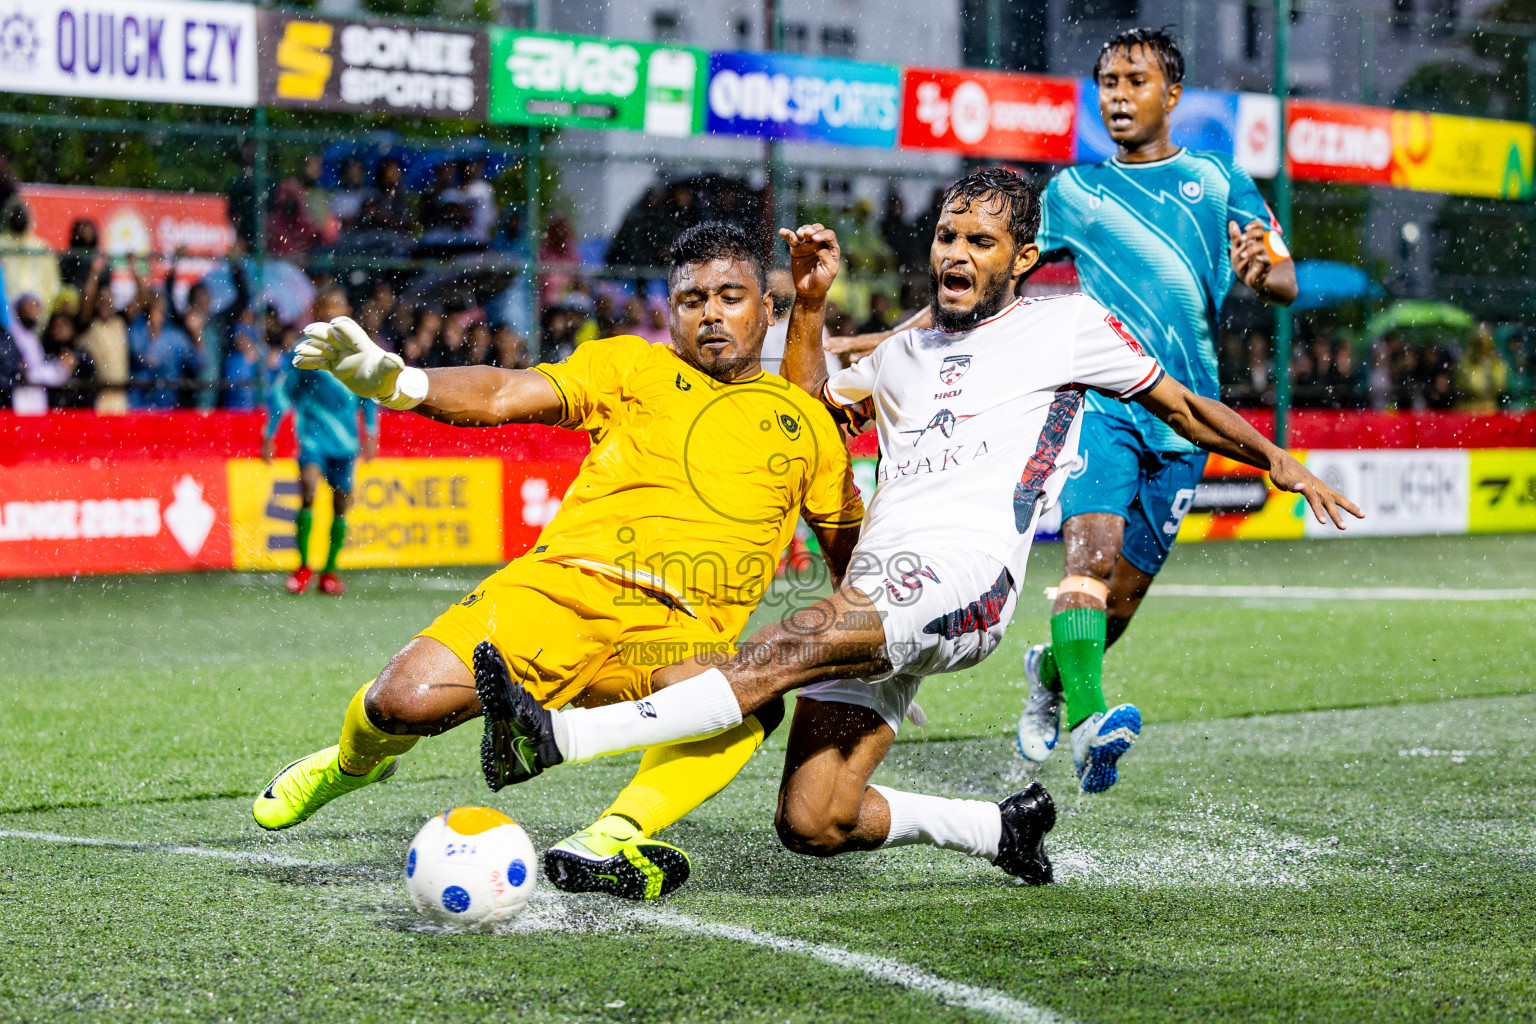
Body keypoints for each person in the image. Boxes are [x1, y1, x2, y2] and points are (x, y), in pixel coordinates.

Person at [473, 171, 1359, 885]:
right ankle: (999, 831)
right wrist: (811, 306)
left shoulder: (1068, 327)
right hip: (880, 593)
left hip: (966, 580)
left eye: (981, 240)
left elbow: (1183, 405)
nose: (957, 253)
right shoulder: (900, 347)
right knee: (813, 820)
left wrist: (1275, 458)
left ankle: (553, 737)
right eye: (947, 235)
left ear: (1024, 256)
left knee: (790, 640)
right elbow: (810, 407)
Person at [252, 222, 867, 903]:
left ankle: (609, 836)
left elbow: (851, 565)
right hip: (557, 593)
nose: (713, 314)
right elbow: (501, 393)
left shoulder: (808, 426)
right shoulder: (634, 367)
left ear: (767, 310)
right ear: (672, 312)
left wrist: (863, 662)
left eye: (731, 296)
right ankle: (351, 765)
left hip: (674, 637)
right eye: (693, 300)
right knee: (402, 703)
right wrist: (399, 380)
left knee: (746, 701)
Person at [994, 28, 1300, 791]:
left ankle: (1052, 674)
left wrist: (1264, 273)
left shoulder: (1217, 178)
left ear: (1172, 95)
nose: (1117, 96)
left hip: (1188, 415)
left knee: (1119, 603)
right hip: (1101, 402)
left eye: (1134, 81)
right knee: (1088, 562)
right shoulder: (1072, 192)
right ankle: (1093, 724)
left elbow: (1284, 278)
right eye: (1106, 81)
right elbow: (1008, 267)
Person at [261, 285, 378, 596]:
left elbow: (369, 394)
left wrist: (371, 433)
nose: (331, 312)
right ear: (317, 313)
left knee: (341, 505)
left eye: (337, 306)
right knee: (309, 489)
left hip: (345, 442)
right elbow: (282, 392)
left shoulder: (360, 352)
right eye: (325, 307)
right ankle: (302, 567)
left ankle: (329, 571)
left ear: (346, 313)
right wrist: (269, 434)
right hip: (312, 437)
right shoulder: (306, 351)